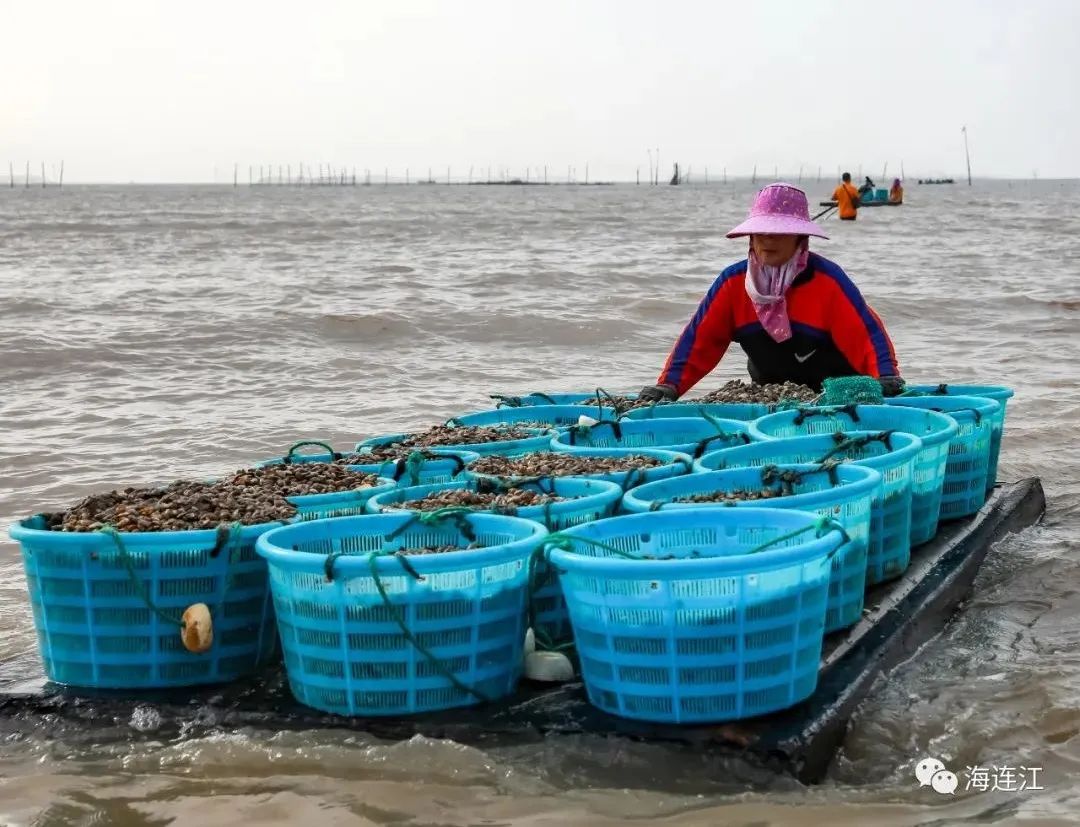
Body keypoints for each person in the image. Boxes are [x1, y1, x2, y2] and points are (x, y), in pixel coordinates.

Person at [639, 183, 902, 402]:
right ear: (750, 238)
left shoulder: (827, 281)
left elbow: (866, 334)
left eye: (779, 231)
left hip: (835, 390)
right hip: (769, 390)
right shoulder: (732, 284)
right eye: (760, 231)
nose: (767, 238)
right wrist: (668, 387)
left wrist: (886, 377)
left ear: (801, 239)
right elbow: (698, 341)